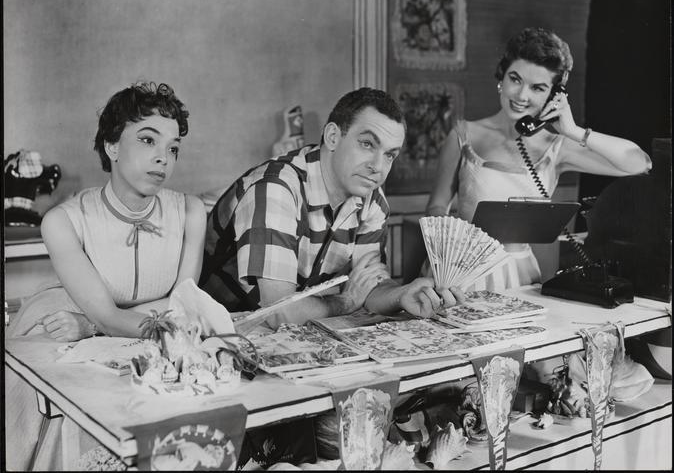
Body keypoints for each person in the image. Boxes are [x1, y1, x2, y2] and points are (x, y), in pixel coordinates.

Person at [200, 87, 458, 327]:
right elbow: (278, 312)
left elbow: (368, 287)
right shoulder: (277, 188)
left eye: (390, 154)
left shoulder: (371, 199)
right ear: (333, 137)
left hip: (294, 331)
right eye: (367, 144)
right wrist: (345, 302)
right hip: (218, 331)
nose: (378, 167)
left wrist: (404, 293)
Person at [426, 27, 652, 288]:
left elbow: (640, 163)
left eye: (538, 88)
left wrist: (573, 131)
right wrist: (449, 243)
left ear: (554, 96)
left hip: (517, 275)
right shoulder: (463, 134)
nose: (522, 95)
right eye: (515, 79)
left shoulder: (558, 147)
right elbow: (436, 206)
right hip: (458, 271)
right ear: (502, 77)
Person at [11, 81, 207, 342]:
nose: (164, 158)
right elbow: (109, 317)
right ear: (112, 147)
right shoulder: (62, 221)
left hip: (89, 325)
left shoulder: (191, 212)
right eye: (148, 140)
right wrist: (104, 321)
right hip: (60, 326)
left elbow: (184, 307)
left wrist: (91, 324)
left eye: (173, 148)